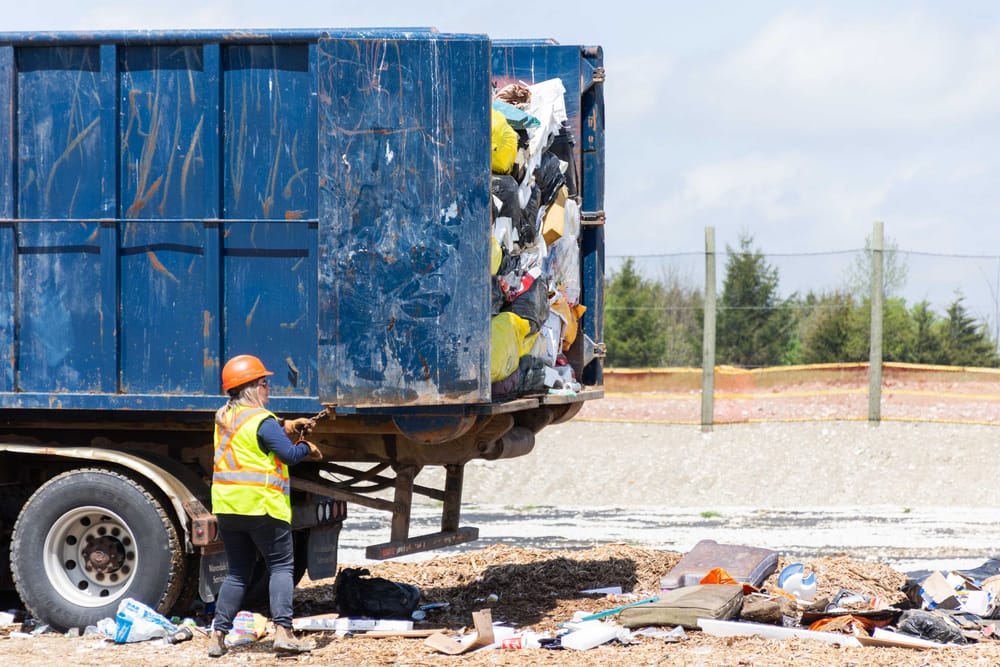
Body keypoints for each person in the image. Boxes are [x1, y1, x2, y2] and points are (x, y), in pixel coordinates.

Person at [208, 354, 323, 658]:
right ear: (250, 388)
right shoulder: (262, 420)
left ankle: (217, 636)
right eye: (263, 383)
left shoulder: (224, 418)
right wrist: (305, 447)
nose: (268, 388)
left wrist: (286, 425)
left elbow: (257, 435)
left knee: (237, 574)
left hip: (228, 507)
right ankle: (284, 633)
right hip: (262, 507)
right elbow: (287, 454)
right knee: (281, 567)